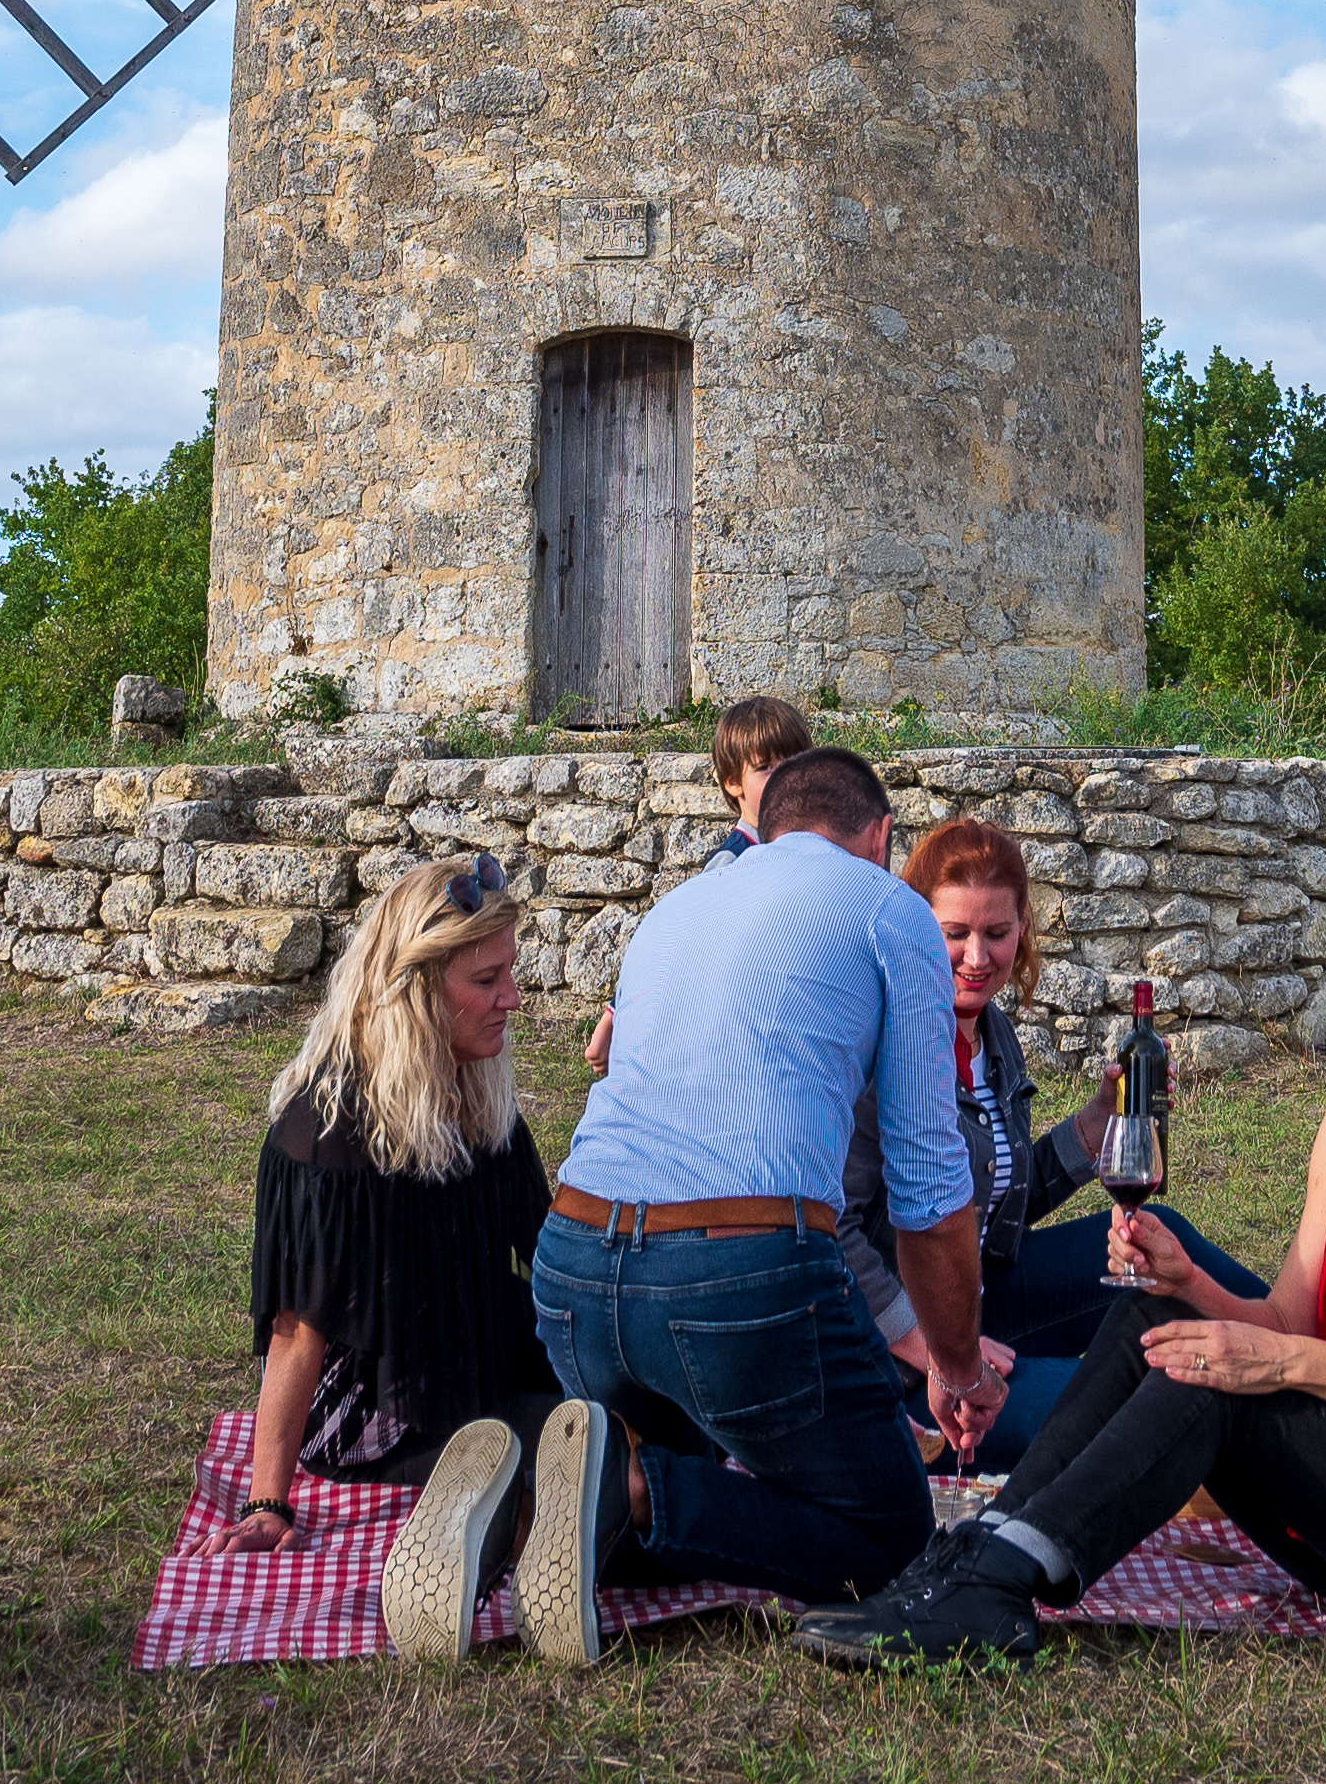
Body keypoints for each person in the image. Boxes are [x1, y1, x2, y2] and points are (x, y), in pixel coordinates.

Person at [794, 875, 1326, 1672]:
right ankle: (981, 1561)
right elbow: (1291, 1322)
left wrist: (1276, 1365)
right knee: (1152, 1320)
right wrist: (1188, 1281)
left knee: (1215, 1375)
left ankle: (999, 1583)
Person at [518, 745, 988, 1666]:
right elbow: (928, 1190)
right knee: (892, 1541)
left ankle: (537, 1507)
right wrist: (958, 1370)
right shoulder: (889, 908)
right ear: (881, 838)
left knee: (679, 1491)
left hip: (571, 1265)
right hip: (736, 1279)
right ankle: (635, 1491)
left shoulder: (672, 910)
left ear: (766, 827)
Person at [206, 852, 567, 1661]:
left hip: (482, 1346)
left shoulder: (479, 1091)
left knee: (627, 1426)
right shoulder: (326, 1130)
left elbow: (543, 1250)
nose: (511, 998)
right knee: (545, 1472)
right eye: (487, 980)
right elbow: (299, 1331)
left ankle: (536, 1521)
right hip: (382, 1397)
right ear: (417, 987)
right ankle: (497, 1546)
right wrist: (271, 1497)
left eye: (510, 972)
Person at [838, 820, 1263, 1467]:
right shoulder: (884, 1042)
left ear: (1022, 931)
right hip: (895, 1355)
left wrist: (1097, 1121)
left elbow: (992, 1204)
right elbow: (827, 1226)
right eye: (954, 934)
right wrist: (934, 1350)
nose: (977, 957)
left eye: (996, 934)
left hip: (981, 1292)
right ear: (915, 927)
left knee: (1159, 1240)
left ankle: (1311, 1340)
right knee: (1144, 1398)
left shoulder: (991, 1035)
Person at [582, 694, 813, 1076]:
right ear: (733, 782)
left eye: (794, 763)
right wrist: (615, 1012)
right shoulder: (731, 864)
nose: (785, 777)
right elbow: (675, 940)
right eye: (767, 767)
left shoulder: (808, 852)